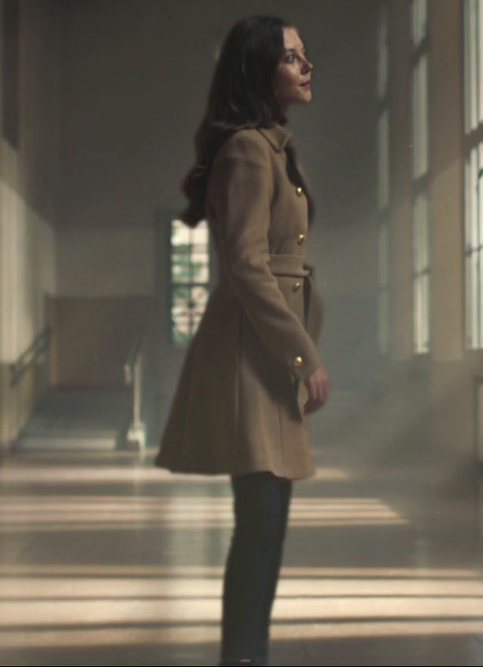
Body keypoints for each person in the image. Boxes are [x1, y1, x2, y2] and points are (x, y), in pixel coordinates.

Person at [154, 14, 329, 667]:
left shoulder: (274, 146)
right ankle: (243, 656)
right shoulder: (248, 150)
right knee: (260, 524)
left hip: (271, 353)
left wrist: (307, 340)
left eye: (305, 55)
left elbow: (286, 265)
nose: (307, 66)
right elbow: (249, 265)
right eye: (292, 56)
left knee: (269, 525)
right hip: (250, 357)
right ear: (261, 68)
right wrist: (303, 354)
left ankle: (249, 653)